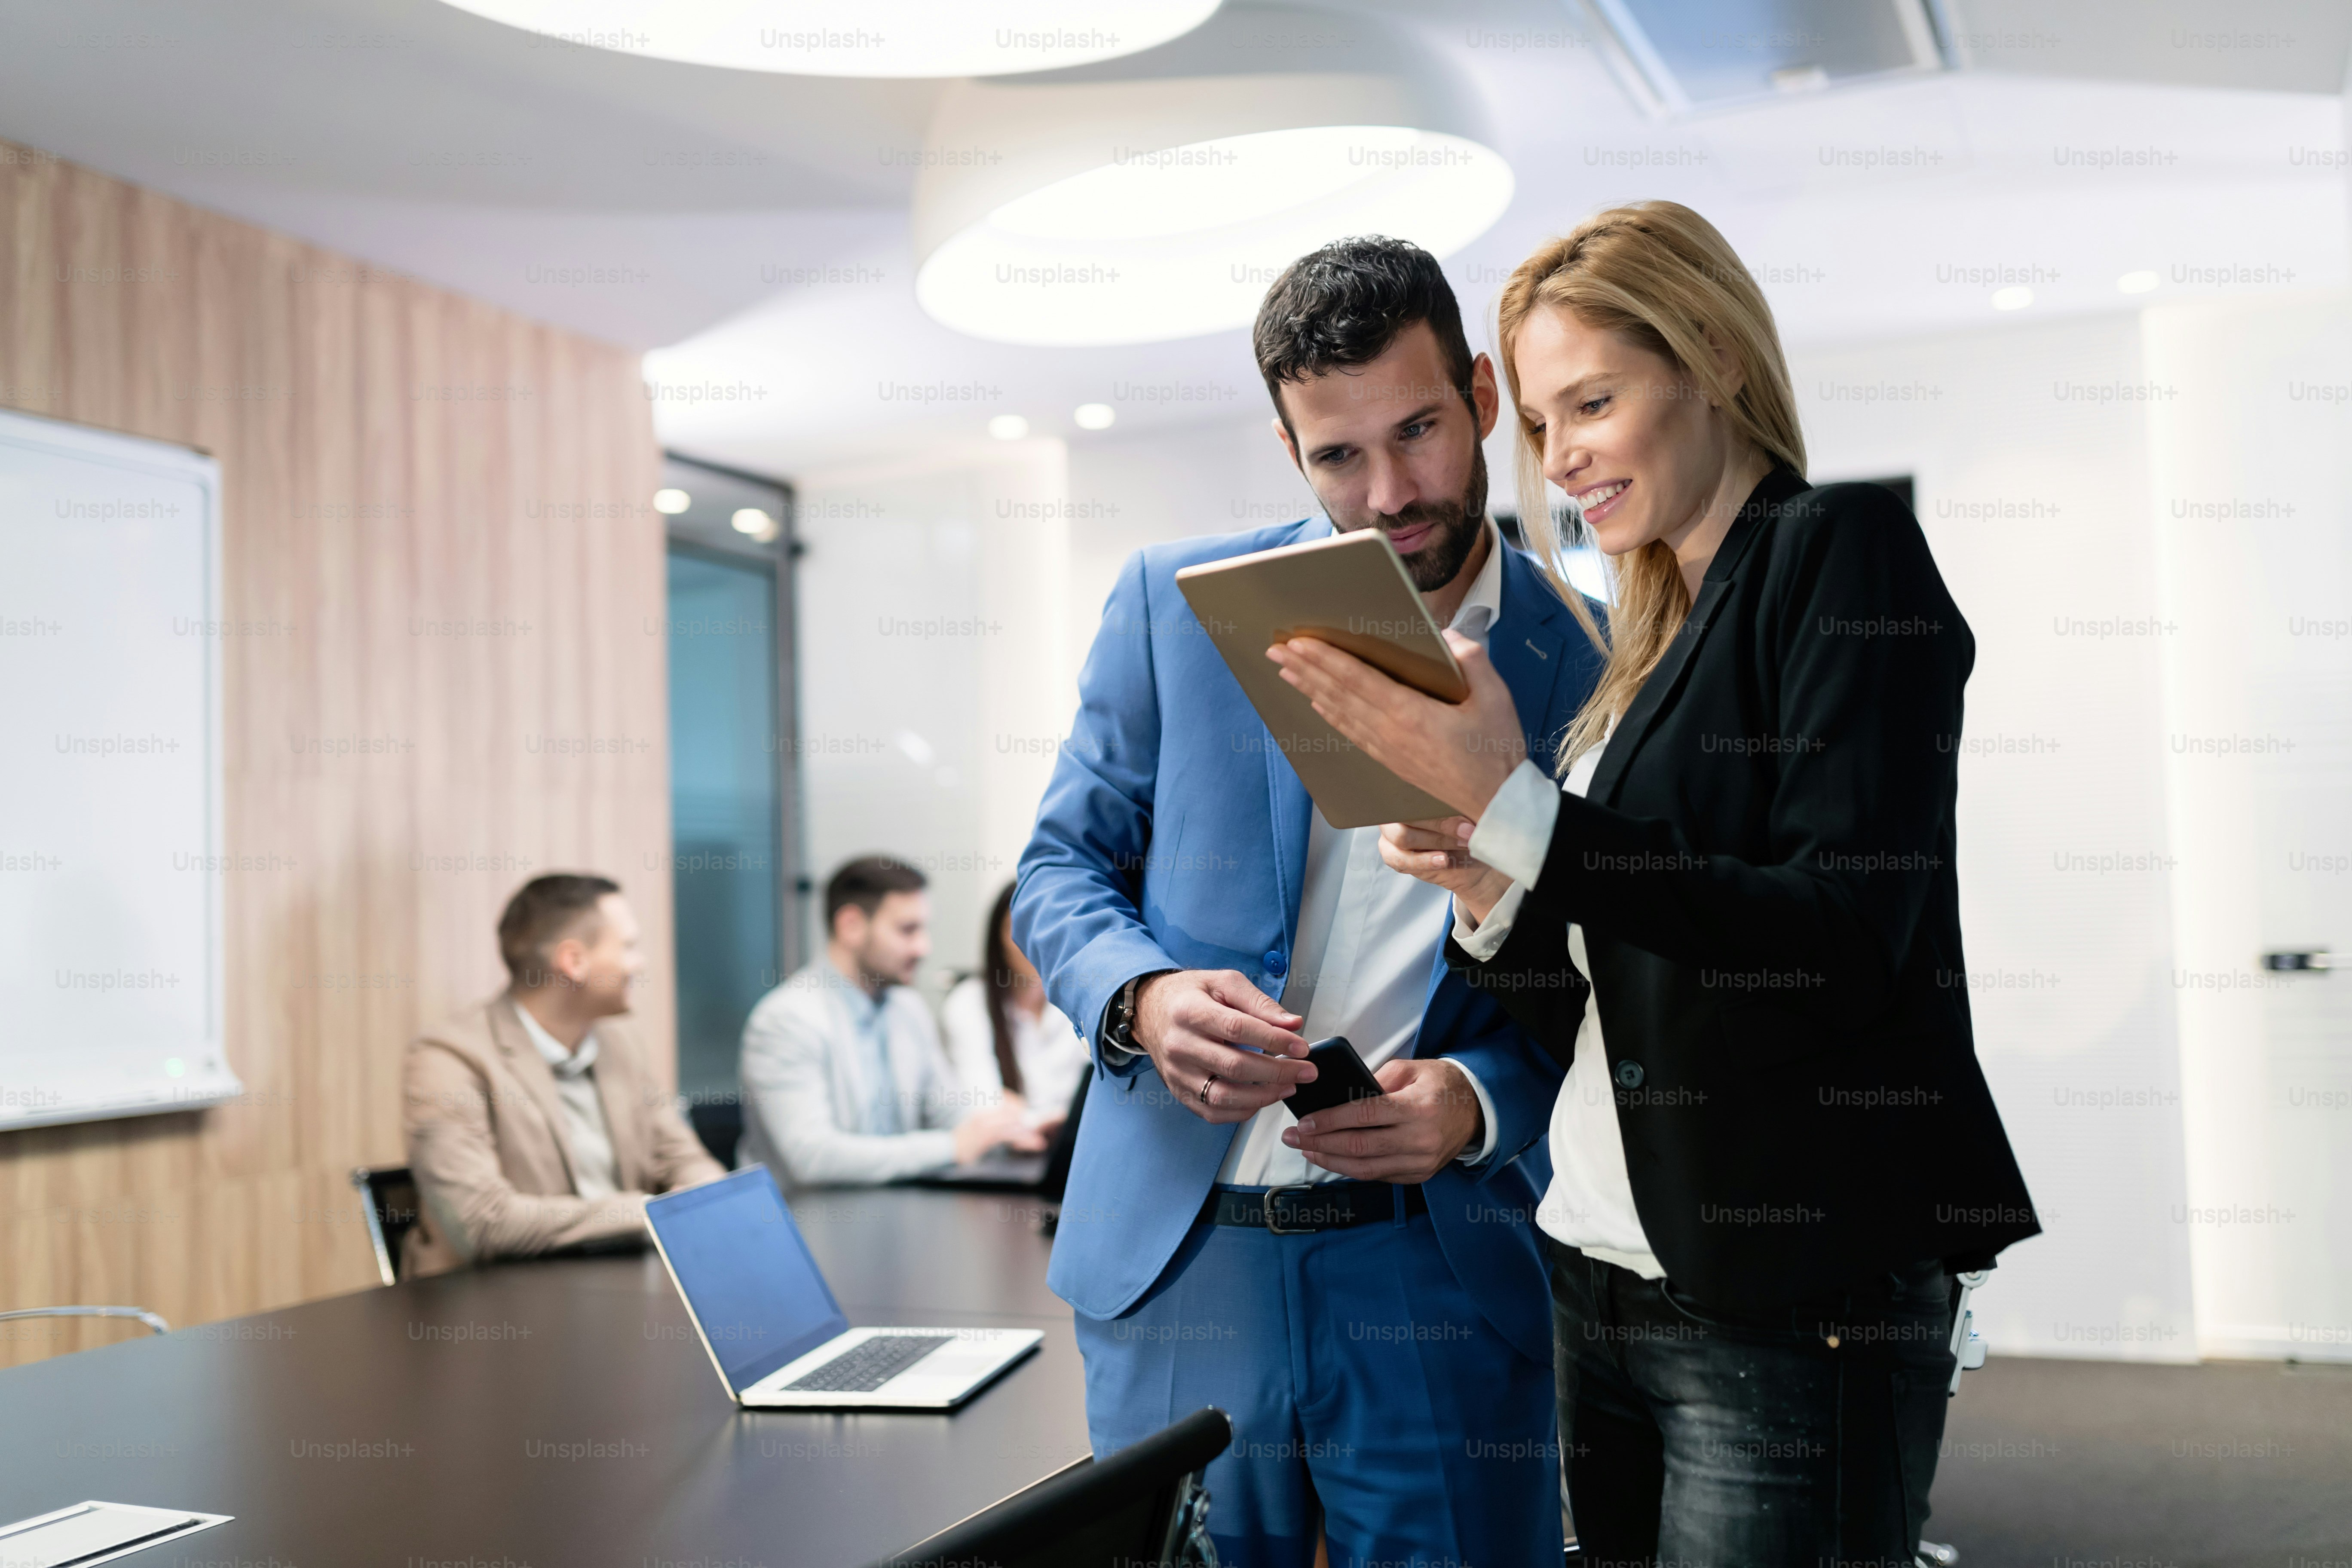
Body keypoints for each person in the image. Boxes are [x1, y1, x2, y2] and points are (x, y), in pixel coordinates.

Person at [1270, 201, 2043, 1566]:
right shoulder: (1646, 634)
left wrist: (1520, 812)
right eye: (1541, 425)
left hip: (1785, 1296)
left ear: (1716, 362)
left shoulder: (1841, 549)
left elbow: (1838, 940)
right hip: (1602, 1271)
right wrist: (1487, 884)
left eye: (1595, 403)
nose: (1561, 457)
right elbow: (1616, 1004)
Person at [1012, 237, 1607, 1565]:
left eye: (1419, 432)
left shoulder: (1598, 660)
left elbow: (1622, 975)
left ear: (1483, 394)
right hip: (1183, 1262)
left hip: (1439, 1266)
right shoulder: (1171, 606)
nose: (1390, 493)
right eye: (1338, 456)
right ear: (1288, 447)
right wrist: (1141, 995)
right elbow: (1058, 872)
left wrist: (1481, 1100)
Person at [402, 873, 725, 1277]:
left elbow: (681, 1156)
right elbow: (482, 1222)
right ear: (574, 961)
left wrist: (710, 1195)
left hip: (616, 1279)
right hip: (493, 1296)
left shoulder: (621, 1042)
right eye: (628, 947)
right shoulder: (447, 1058)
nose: (639, 963)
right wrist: (651, 1213)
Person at [739, 855, 1040, 1188]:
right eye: (907, 930)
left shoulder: (908, 1009)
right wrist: (952, 1147)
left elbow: (950, 1116)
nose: (924, 948)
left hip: (897, 1207)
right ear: (851, 926)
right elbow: (812, 1157)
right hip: (812, 1216)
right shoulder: (786, 1021)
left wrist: (1015, 1131)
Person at [940, 882, 1089, 1132]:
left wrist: (1023, 1113)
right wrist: (1045, 1120)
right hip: (1004, 1149)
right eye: (1019, 930)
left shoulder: (1079, 998)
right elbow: (984, 1106)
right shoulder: (968, 1003)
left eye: (1046, 927)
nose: (1035, 943)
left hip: (1072, 1143)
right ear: (998, 938)